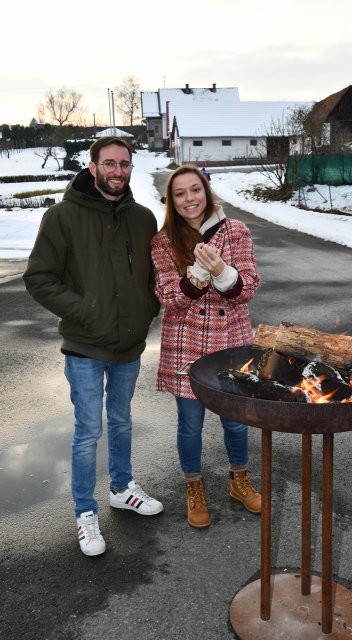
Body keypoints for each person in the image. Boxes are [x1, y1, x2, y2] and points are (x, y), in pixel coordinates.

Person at [23, 136, 163, 557]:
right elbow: (39, 278)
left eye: (124, 164)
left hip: (128, 345)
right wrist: (86, 310)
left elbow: (153, 278)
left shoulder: (142, 220)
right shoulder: (62, 217)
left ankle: (122, 489)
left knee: (121, 421)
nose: (117, 171)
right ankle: (85, 512)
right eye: (109, 163)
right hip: (84, 345)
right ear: (92, 165)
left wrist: (146, 308)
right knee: (88, 431)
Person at [151, 165, 261, 528]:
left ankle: (239, 482)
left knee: (236, 423)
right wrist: (196, 277)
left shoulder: (237, 231)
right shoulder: (164, 241)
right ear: (172, 200)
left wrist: (223, 273)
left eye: (194, 190)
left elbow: (246, 290)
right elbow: (168, 297)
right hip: (186, 345)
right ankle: (194, 489)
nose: (189, 199)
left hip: (230, 342)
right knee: (189, 425)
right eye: (179, 194)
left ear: (206, 191)